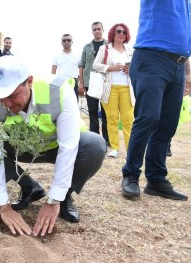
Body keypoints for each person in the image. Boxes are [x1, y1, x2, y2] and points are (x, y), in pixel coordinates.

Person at [0, 56, 106, 236]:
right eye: (1, 97)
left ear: (29, 82)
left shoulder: (58, 91)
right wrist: (3, 206)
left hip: (57, 147)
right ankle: (30, 188)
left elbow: (68, 148)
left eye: (12, 96)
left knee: (95, 145)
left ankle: (65, 196)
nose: (6, 104)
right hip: (23, 149)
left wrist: (54, 199)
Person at [121, 0, 190, 201]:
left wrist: (187, 72)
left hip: (178, 63)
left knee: (168, 124)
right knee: (148, 117)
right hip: (151, 58)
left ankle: (156, 179)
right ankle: (130, 175)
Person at [93, 23, 135, 158]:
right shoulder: (104, 48)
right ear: (113, 33)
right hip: (109, 88)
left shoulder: (130, 50)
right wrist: (110, 68)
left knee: (128, 119)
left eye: (124, 32)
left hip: (127, 89)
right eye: (119, 31)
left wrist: (131, 70)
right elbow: (95, 65)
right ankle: (115, 148)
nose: (121, 34)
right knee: (111, 119)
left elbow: (137, 67)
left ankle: (130, 149)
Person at [79, 22, 110, 146]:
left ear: (103, 29)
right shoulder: (87, 47)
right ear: (91, 31)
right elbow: (82, 66)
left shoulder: (109, 45)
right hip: (90, 82)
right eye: (94, 29)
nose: (97, 31)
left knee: (106, 112)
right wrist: (81, 83)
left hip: (105, 82)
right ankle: (95, 140)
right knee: (92, 112)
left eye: (99, 29)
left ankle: (107, 140)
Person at [51, 34, 80, 101]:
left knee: (74, 102)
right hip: (60, 82)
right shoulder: (56, 55)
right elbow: (53, 70)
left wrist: (81, 83)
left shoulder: (78, 55)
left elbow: (81, 69)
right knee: (60, 103)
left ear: (72, 42)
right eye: (64, 40)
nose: (66, 42)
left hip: (73, 81)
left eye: (68, 40)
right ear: (61, 42)